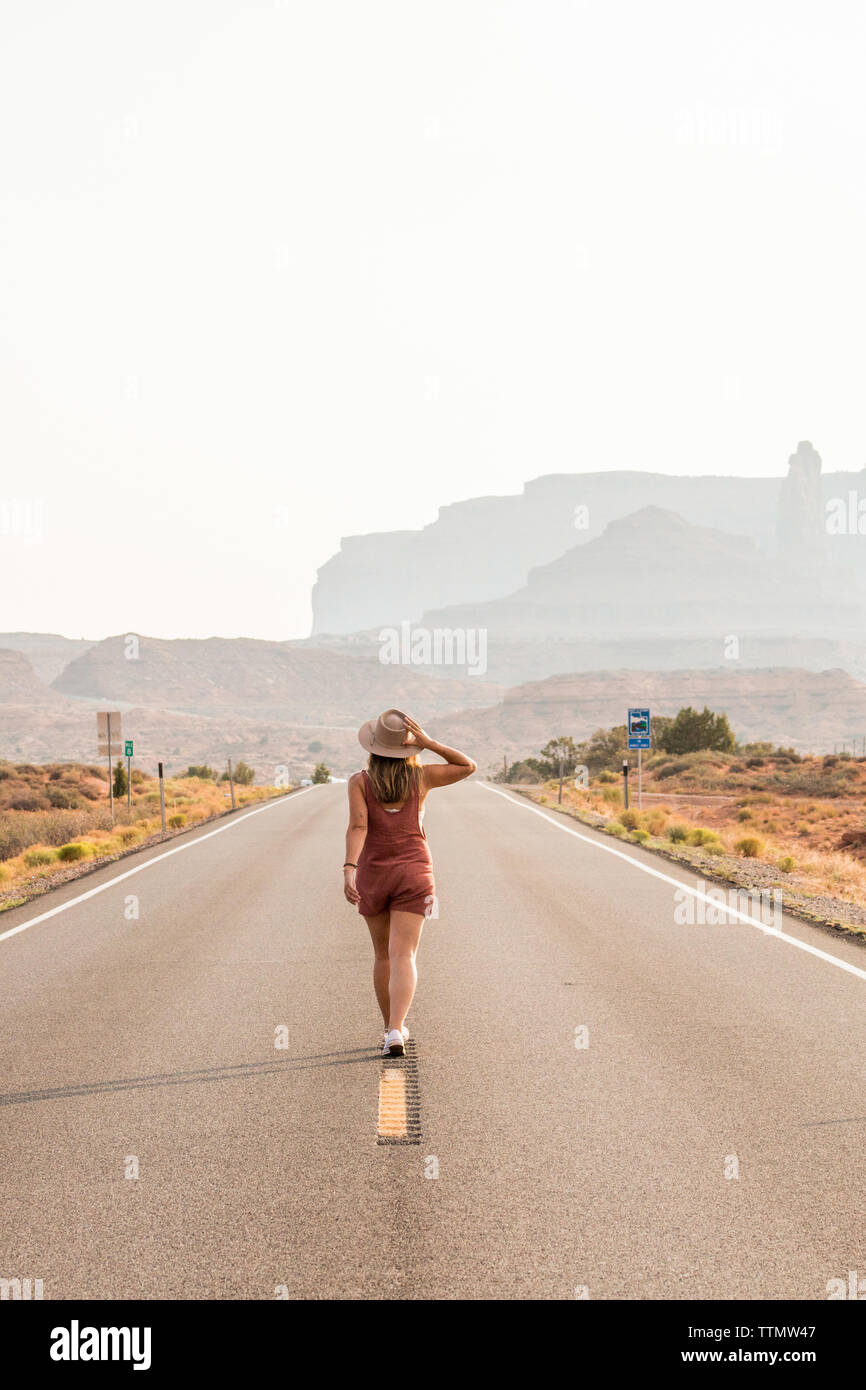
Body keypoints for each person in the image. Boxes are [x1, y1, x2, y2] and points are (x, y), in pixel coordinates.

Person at [343, 709, 476, 1056]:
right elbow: (467, 766)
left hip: (373, 872)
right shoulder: (422, 778)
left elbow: (358, 827)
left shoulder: (360, 782)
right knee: (404, 954)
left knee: (382, 956)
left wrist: (349, 868)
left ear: (373, 748)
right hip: (416, 872)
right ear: (408, 747)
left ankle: (389, 1028)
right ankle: (397, 1030)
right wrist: (429, 743)